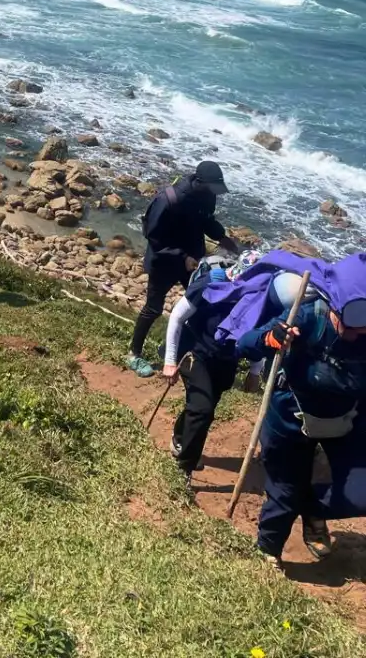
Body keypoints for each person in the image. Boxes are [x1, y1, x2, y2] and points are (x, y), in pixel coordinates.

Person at [236, 252, 366, 568]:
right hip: (291, 418)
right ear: (335, 305)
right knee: (284, 492)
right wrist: (272, 337)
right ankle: (267, 553)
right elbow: (245, 343)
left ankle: (313, 508)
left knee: (359, 492)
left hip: (347, 420)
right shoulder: (307, 316)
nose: (358, 331)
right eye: (353, 318)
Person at [127, 160, 239, 377]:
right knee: (153, 309)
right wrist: (181, 256)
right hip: (165, 262)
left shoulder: (207, 195)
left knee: (201, 302)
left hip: (193, 262)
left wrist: (221, 236)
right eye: (211, 189)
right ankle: (134, 353)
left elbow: (207, 220)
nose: (213, 193)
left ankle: (183, 348)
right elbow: (153, 237)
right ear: (198, 182)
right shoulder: (169, 200)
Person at [163, 263, 263, 481]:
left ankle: (180, 437)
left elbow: (260, 335)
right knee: (202, 409)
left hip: (226, 361)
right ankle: (184, 468)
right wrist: (170, 361)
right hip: (194, 354)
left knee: (201, 406)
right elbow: (177, 317)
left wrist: (255, 371)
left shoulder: (260, 297)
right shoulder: (209, 285)